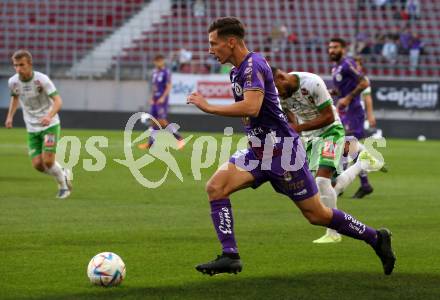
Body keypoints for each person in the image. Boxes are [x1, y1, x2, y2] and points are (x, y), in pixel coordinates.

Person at [187, 17, 395, 276]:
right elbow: (252, 112)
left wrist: (209, 106)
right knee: (216, 187)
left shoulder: (254, 64)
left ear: (230, 42)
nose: (210, 50)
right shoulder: (236, 72)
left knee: (317, 214)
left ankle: (376, 238)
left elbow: (251, 106)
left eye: (213, 43)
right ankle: (230, 256)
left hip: (284, 155)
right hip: (258, 151)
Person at [271, 67, 383, 244]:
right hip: (310, 138)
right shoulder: (279, 94)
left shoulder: (312, 82)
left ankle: (333, 233)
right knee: (332, 185)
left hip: (330, 131)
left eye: (277, 89)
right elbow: (291, 120)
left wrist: (298, 128)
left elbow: (329, 117)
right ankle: (362, 162)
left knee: (321, 181)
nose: (278, 94)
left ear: (281, 77)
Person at [4, 49, 72, 199]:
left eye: (21, 65)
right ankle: (63, 172)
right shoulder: (13, 82)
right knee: (38, 165)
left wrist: (49, 116)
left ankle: (63, 186)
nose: (18, 69)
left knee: (48, 160)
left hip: (49, 125)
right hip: (31, 127)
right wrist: (10, 117)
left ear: (30, 64)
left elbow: (58, 101)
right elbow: (15, 98)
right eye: (15, 65)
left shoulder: (42, 80)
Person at [329, 38, 375, 199]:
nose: (331, 50)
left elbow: (364, 82)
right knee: (347, 146)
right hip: (344, 111)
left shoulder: (348, 64)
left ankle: (342, 183)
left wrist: (348, 98)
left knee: (347, 145)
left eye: (335, 47)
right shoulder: (336, 67)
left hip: (353, 111)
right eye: (330, 47)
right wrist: (332, 92)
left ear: (343, 48)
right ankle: (362, 184)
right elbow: (340, 89)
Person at [138, 55, 184, 150]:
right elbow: (154, 87)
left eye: (159, 61)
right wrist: (152, 97)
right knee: (153, 122)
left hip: (162, 100)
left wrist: (163, 97)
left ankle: (179, 138)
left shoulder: (166, 72)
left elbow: (168, 86)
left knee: (162, 121)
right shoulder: (155, 72)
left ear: (163, 61)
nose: (157, 63)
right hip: (155, 99)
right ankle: (150, 144)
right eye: (156, 61)